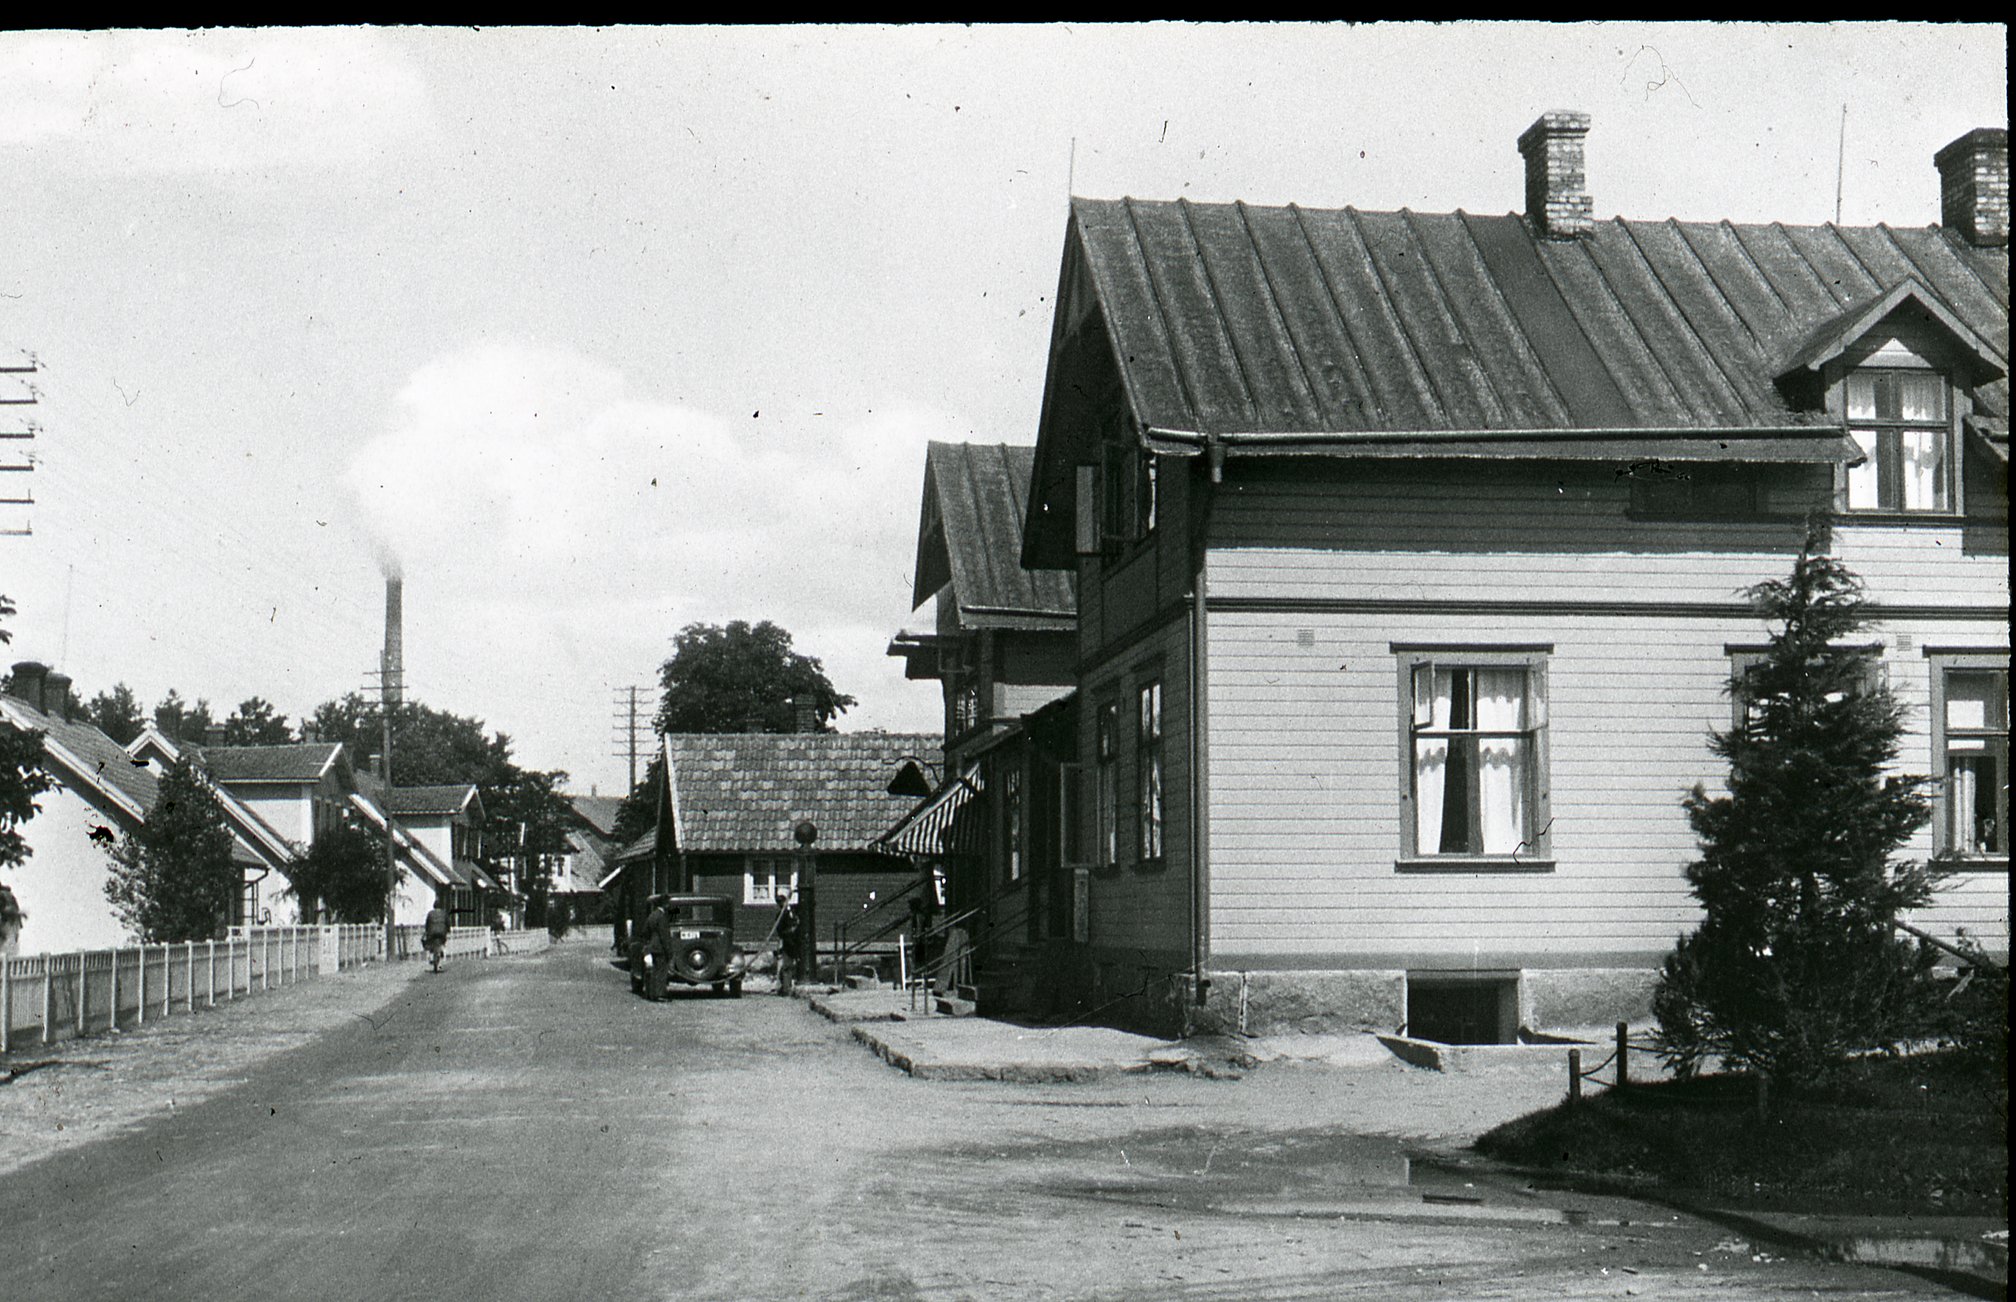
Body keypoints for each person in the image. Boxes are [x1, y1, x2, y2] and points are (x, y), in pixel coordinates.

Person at [638, 894, 673, 1001]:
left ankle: (651, 993)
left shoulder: (652, 915)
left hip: (652, 947)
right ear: (665, 904)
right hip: (660, 948)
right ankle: (660, 994)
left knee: (653, 971)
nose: (669, 906)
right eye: (668, 903)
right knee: (661, 971)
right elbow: (664, 936)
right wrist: (669, 951)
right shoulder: (662, 917)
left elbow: (645, 931)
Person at [774, 892, 803, 996]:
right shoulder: (781, 915)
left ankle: (789, 986)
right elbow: (780, 930)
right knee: (787, 965)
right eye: (779, 902)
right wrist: (789, 932)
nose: (782, 904)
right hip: (788, 942)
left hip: (796, 941)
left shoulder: (793, 911)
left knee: (792, 965)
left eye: (782, 901)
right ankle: (786, 988)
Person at [423, 904, 450, 972]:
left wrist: (427, 930)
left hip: (432, 933)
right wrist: (448, 930)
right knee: (443, 943)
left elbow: (427, 924)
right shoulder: (444, 913)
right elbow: (448, 923)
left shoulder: (430, 913)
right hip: (441, 933)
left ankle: (431, 953)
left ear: (434, 906)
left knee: (430, 943)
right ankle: (441, 951)